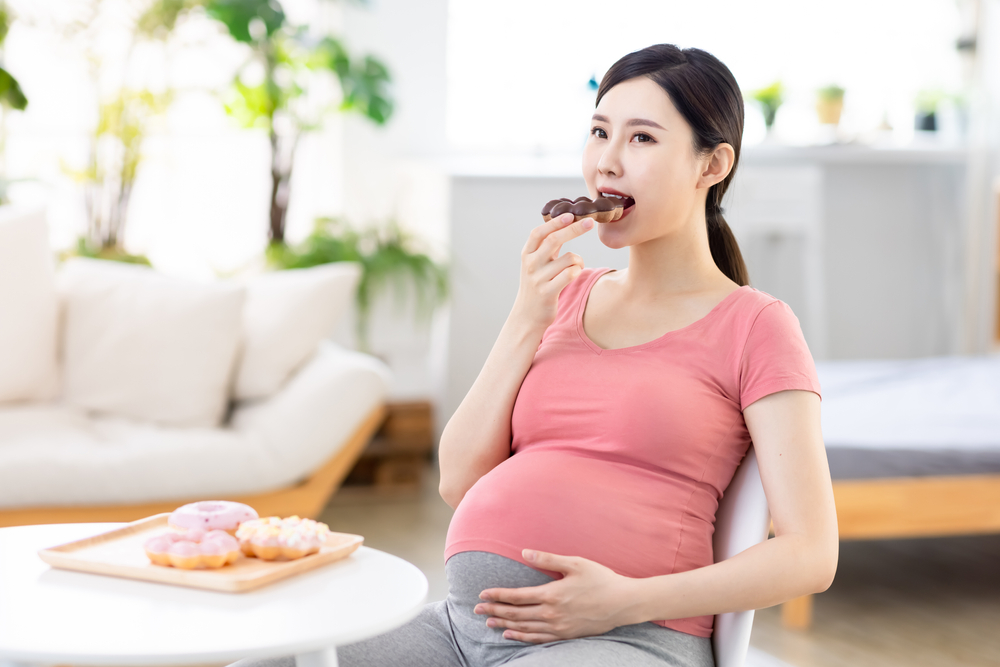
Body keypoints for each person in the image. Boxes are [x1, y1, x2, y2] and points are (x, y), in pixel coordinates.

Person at [236, 43, 839, 667]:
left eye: (641, 139)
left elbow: (811, 555)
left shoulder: (757, 326)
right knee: (266, 663)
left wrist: (625, 601)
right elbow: (459, 479)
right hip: (459, 630)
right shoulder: (563, 296)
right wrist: (527, 315)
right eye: (599, 132)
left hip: (626, 638)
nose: (606, 161)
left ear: (712, 164)